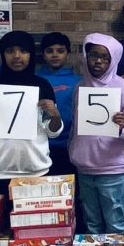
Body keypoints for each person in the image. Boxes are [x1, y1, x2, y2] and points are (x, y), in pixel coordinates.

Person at [0, 31, 62, 200]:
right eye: (10, 51)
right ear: (3, 54)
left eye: (23, 50)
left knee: (32, 222)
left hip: (35, 165)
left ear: (31, 54)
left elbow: (52, 131)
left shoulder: (42, 85)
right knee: (0, 222)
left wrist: (56, 116)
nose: (16, 56)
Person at [70, 34, 124, 233]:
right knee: (92, 223)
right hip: (85, 167)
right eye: (93, 55)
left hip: (114, 169)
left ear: (114, 60)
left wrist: (122, 128)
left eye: (105, 57)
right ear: (86, 56)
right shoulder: (80, 87)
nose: (98, 61)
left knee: (115, 224)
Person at [36, 31, 81, 179]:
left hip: (69, 146)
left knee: (68, 195)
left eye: (60, 51)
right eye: (50, 51)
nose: (55, 55)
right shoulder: (35, 79)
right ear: (43, 54)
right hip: (40, 147)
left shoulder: (78, 81)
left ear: (67, 53)